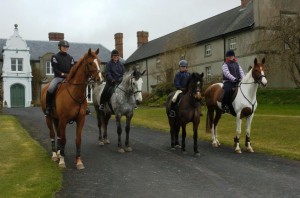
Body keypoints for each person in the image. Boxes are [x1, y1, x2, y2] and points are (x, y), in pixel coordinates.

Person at [45, 40, 74, 116]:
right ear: (59, 47)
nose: (65, 48)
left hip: (69, 78)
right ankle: (48, 107)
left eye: (66, 47)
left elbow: (72, 69)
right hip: (58, 77)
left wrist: (70, 75)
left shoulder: (71, 58)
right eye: (63, 46)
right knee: (50, 88)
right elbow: (55, 69)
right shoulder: (55, 57)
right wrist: (64, 74)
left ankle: (83, 106)